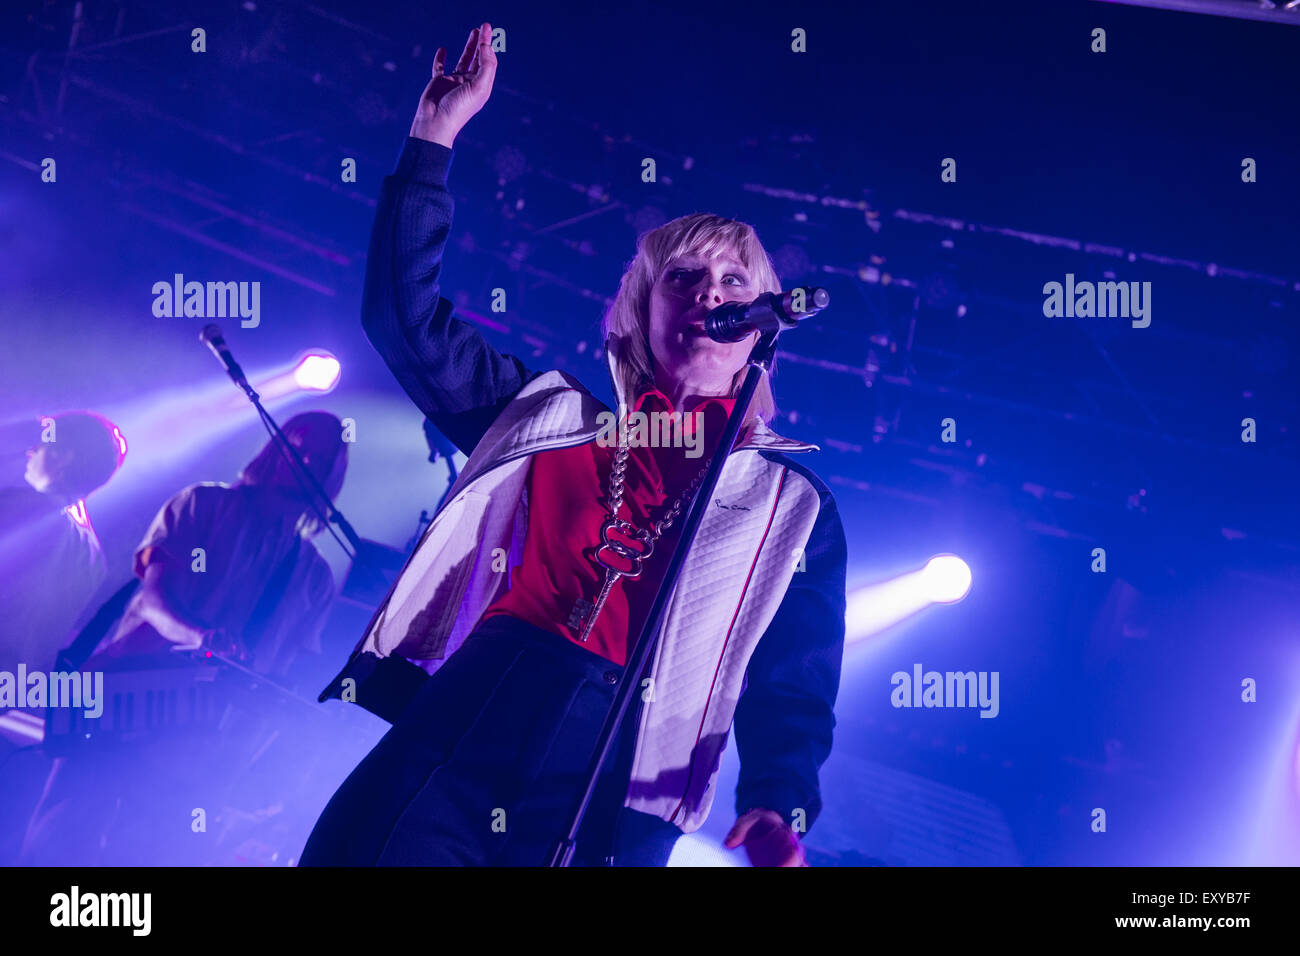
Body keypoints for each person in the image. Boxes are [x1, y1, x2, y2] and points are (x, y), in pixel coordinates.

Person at [300, 21, 847, 868]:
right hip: (476, 714)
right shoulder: (550, 419)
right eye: (684, 277)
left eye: (735, 280)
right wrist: (433, 140)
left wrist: (781, 801)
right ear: (643, 312)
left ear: (761, 325)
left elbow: (793, 683)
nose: (712, 291)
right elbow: (403, 321)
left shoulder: (790, 506)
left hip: (624, 779)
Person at [18, 412, 348, 866]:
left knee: (155, 853)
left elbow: (289, 677)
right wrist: (199, 638)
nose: (309, 457)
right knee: (63, 833)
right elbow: (152, 601)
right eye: (300, 441)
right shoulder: (202, 506)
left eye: (325, 453)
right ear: (276, 444)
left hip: (202, 736)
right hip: (126, 695)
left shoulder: (314, 576)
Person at [0, 411, 122, 681]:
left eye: (42, 445)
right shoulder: (92, 554)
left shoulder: (20, 509)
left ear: (65, 457)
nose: (31, 451)